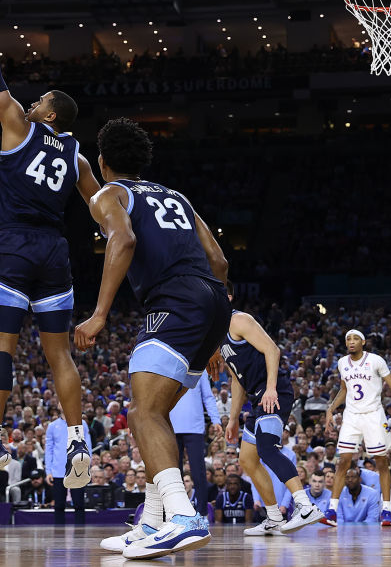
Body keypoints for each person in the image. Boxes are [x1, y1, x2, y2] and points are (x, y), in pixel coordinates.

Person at [0, 0, 100, 492]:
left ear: (51, 112)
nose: (33, 101)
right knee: (58, 354)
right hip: (56, 252)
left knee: (1, 347)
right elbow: (103, 207)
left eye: (42, 100)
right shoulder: (77, 155)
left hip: (14, 245)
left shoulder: (18, 123)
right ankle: (80, 438)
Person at [75, 118, 230, 560]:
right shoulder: (176, 196)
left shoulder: (109, 194)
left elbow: (122, 240)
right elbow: (218, 259)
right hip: (213, 301)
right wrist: (214, 334)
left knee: (142, 411)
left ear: (103, 163)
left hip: (175, 300)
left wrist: (100, 313)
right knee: (156, 412)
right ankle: (152, 522)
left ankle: (182, 518)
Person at [220, 284, 324, 536]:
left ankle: (305, 506)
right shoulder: (219, 335)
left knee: (267, 449)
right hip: (256, 398)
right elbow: (236, 379)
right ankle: (274, 517)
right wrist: (233, 418)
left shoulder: (239, 320)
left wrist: (270, 388)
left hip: (274, 392)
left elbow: (273, 350)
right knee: (246, 459)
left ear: (228, 297)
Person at [323, 329, 391, 527]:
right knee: (343, 462)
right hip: (351, 416)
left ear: (363, 342)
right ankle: (331, 510)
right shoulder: (342, 363)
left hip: (374, 415)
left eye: (355, 338)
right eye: (348, 338)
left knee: (381, 462)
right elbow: (343, 389)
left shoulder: (375, 360)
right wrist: (330, 409)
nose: (351, 341)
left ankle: (386, 510)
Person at [169, 372, 222, 516]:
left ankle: (202, 514)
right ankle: (175, 513)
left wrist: (216, 419)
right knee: (174, 474)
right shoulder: (169, 364)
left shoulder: (201, 369)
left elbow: (208, 396)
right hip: (171, 427)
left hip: (194, 428)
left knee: (199, 473)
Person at [45, 407, 92, 524]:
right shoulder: (52, 426)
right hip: (58, 470)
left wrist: (87, 466)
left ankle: (81, 536)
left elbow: (88, 446)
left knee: (79, 505)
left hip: (78, 469)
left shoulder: (82, 424)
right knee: (59, 505)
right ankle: (58, 537)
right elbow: (49, 449)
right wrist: (48, 471)